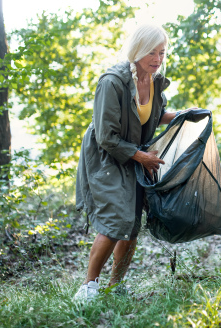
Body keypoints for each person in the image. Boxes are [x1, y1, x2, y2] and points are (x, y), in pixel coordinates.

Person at [73, 24, 190, 302]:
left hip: (135, 155)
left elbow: (150, 115)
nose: (157, 59)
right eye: (151, 52)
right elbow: (106, 136)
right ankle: (88, 287)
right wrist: (142, 157)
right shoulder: (112, 81)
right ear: (137, 49)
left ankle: (116, 286)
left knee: (132, 225)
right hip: (108, 156)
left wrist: (183, 115)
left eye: (161, 52)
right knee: (117, 220)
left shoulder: (154, 80)